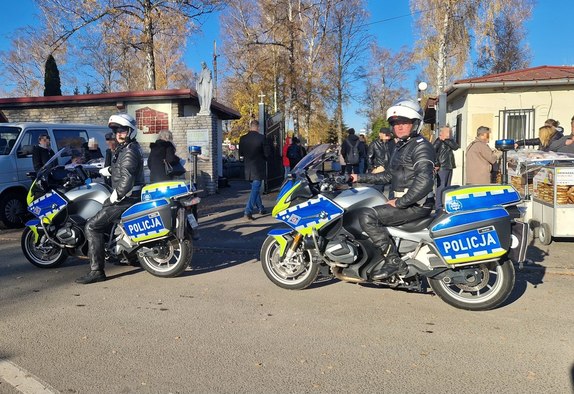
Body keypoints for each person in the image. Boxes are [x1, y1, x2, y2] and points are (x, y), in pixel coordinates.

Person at [350, 99, 435, 280]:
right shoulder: (402, 147)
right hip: (409, 202)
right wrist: (358, 177)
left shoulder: (421, 146)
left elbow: (425, 179)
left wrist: (400, 202)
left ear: (415, 124)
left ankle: (393, 262)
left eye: (404, 122)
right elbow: (389, 176)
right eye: (395, 123)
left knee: (367, 215)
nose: (399, 127)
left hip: (416, 204)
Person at [75, 113, 145, 284]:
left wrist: (116, 196)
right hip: (131, 195)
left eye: (123, 130)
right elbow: (124, 169)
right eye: (117, 131)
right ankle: (127, 255)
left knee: (92, 226)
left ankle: (96, 270)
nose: (119, 134)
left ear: (131, 131)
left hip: (127, 198)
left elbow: (127, 178)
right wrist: (108, 171)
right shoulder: (129, 148)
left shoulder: (129, 151)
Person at [239, 119, 270, 221]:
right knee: (255, 190)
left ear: (250, 126)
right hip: (258, 168)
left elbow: (241, 154)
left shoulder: (243, 138)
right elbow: (267, 154)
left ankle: (261, 208)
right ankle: (248, 211)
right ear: (258, 127)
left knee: (254, 189)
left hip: (248, 169)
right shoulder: (261, 138)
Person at [433, 126, 459, 210]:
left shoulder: (449, 141)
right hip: (442, 166)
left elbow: (455, 147)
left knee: (448, 186)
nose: (449, 134)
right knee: (441, 186)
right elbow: (433, 151)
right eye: (447, 132)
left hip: (449, 165)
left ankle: (445, 203)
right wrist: (436, 164)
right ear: (442, 133)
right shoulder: (438, 141)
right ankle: (438, 206)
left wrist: (446, 140)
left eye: (450, 132)